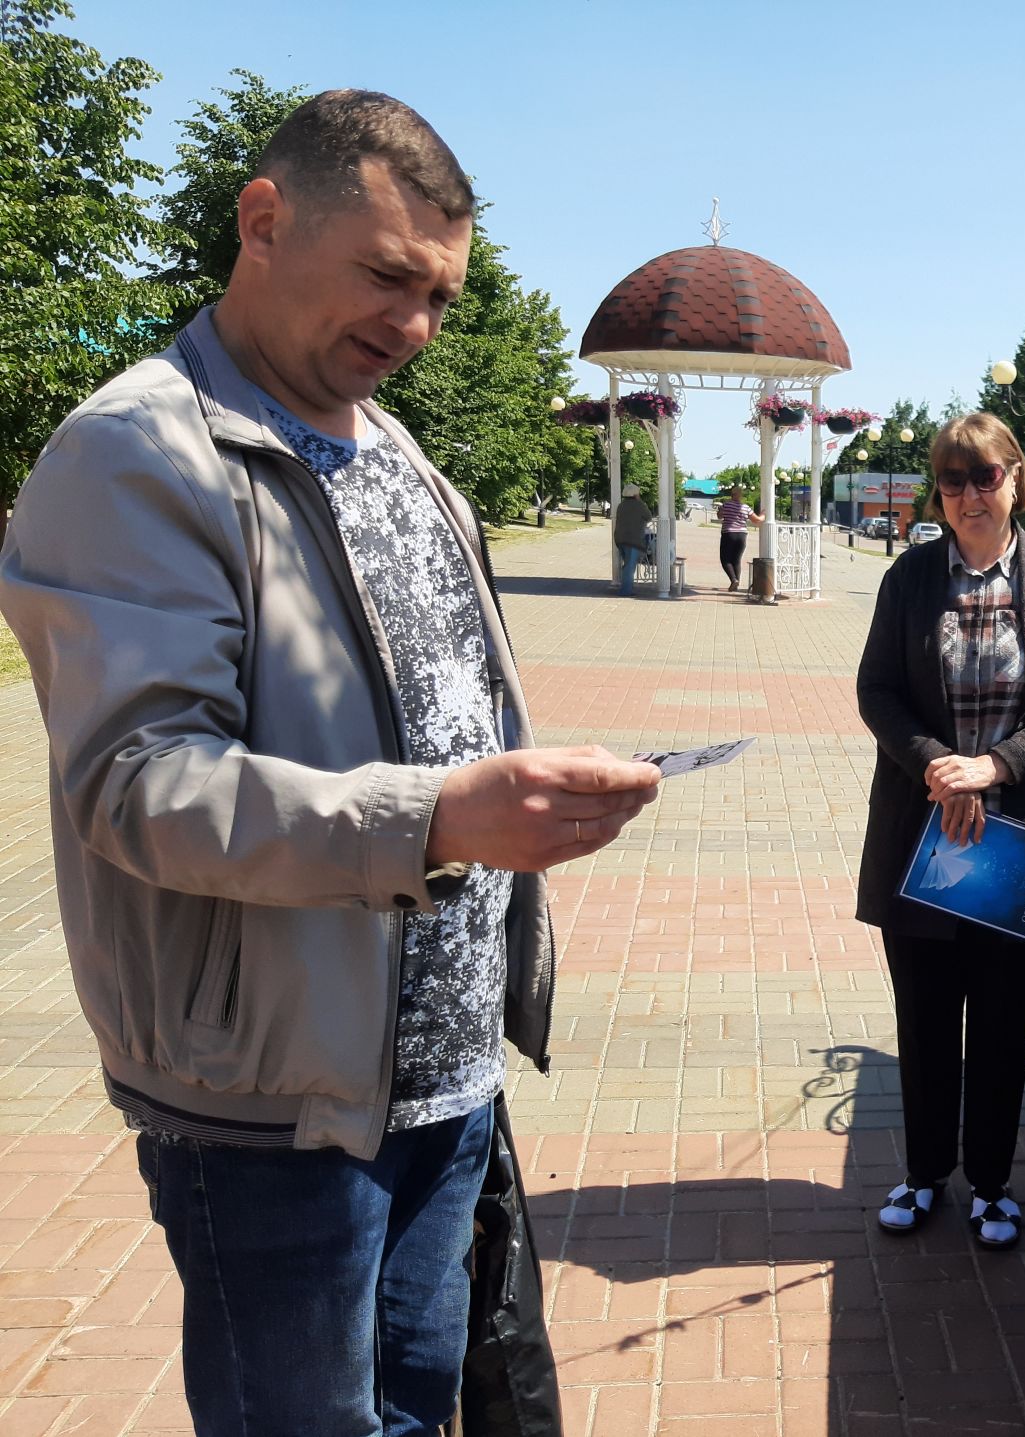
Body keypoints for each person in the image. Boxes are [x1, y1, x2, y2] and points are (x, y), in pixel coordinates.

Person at [0, 90, 663, 1436]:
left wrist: (521, 788)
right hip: (276, 1113)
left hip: (440, 1080)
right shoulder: (140, 453)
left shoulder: (401, 454)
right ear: (263, 222)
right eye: (386, 277)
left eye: (441, 296)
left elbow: (427, 706)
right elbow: (141, 784)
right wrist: (436, 816)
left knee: (417, 1405)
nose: (415, 328)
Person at [853, 412, 1025, 1250]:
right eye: (952, 482)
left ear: (1016, 479)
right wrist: (936, 765)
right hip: (925, 837)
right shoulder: (911, 578)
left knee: (1001, 1023)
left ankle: (991, 1183)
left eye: (983, 477)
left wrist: (990, 769)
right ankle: (925, 1175)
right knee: (924, 1020)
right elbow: (877, 691)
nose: (967, 497)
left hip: (1012, 838)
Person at [716, 483, 762, 591]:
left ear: (732, 495)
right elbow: (757, 520)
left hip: (729, 534)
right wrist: (763, 514)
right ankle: (736, 584)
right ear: (740, 496)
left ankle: (734, 580)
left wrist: (720, 510)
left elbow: (719, 516)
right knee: (736, 560)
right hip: (742, 535)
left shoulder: (726, 504)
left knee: (725, 559)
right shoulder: (746, 507)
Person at [614, 481, 654, 595]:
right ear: (636, 495)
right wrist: (640, 501)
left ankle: (627, 587)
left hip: (620, 539)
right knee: (629, 567)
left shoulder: (621, 505)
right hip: (633, 540)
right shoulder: (639, 505)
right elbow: (649, 517)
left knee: (627, 564)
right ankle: (625, 591)